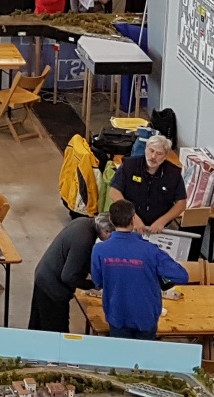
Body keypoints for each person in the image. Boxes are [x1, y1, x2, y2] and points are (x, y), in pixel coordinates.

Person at [89, 199, 188, 338]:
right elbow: (182, 276)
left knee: (120, 351)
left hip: (117, 314)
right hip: (146, 315)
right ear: (133, 220)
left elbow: (98, 281)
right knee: (144, 351)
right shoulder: (151, 250)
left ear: (111, 220)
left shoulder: (99, 250)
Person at [28, 211, 111, 332]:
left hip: (44, 276)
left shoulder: (83, 223)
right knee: (57, 333)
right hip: (52, 288)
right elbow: (68, 277)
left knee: (38, 328)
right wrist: (93, 284)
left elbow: (80, 258)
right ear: (106, 231)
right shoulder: (84, 240)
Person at [112, 134, 187, 233]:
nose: (153, 156)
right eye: (151, 151)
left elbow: (181, 203)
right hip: (129, 225)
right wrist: (132, 217)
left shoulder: (173, 173)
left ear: (165, 156)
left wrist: (162, 221)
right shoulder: (129, 165)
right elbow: (114, 192)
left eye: (159, 153)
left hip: (160, 229)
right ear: (145, 149)